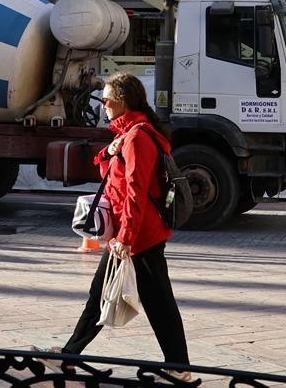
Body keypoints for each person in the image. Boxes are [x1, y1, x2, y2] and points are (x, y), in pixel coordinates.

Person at [49, 73, 196, 380]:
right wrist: (110, 151)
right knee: (104, 294)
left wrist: (126, 238)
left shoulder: (138, 137)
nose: (103, 105)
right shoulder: (130, 134)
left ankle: (179, 368)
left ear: (122, 100)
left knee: (158, 303)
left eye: (106, 99)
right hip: (133, 235)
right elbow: (107, 170)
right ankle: (68, 356)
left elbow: (135, 191)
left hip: (140, 236)